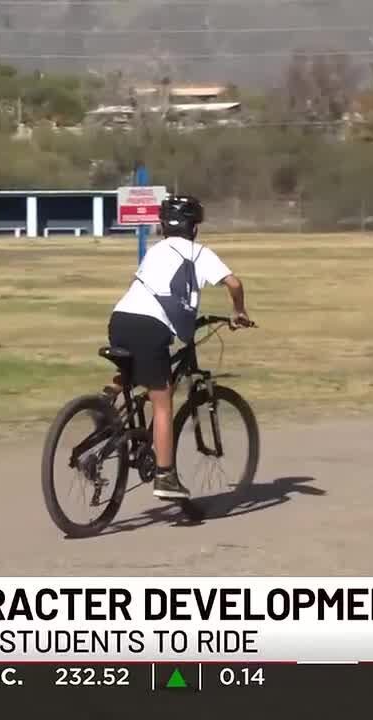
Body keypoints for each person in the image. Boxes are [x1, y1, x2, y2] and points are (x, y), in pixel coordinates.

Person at [104, 195, 250, 499]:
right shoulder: (199, 253)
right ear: (194, 227)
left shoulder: (154, 250)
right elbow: (234, 283)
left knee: (136, 369)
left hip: (120, 319)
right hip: (151, 326)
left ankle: (105, 402)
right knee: (163, 400)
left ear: (163, 226)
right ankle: (165, 476)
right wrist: (239, 312)